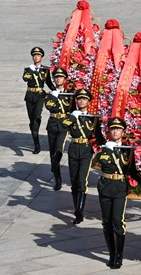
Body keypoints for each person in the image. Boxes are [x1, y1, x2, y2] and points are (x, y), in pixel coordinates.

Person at [96, 117, 141, 269]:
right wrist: (107, 149)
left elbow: (133, 172)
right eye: (113, 129)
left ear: (123, 132)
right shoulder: (104, 148)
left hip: (119, 188)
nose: (115, 131)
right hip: (105, 186)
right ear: (109, 131)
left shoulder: (127, 151)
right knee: (106, 222)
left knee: (118, 222)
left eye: (118, 129)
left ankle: (119, 255)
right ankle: (111, 253)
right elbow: (99, 163)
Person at [61, 89, 104, 224]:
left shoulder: (93, 118)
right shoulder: (72, 116)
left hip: (86, 150)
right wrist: (74, 116)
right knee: (74, 181)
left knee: (82, 180)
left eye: (84, 99)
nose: (81, 101)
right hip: (74, 149)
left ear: (88, 102)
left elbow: (99, 137)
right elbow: (63, 126)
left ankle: (79, 211)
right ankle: (76, 207)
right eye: (79, 99)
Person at [44, 68, 74, 189]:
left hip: (63, 124)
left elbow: (72, 109)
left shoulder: (69, 94)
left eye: (60, 77)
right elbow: (49, 107)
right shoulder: (51, 94)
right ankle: (57, 177)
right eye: (56, 77)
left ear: (65, 79)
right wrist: (55, 97)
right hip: (52, 124)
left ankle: (56, 162)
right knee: (53, 152)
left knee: (59, 149)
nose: (58, 79)